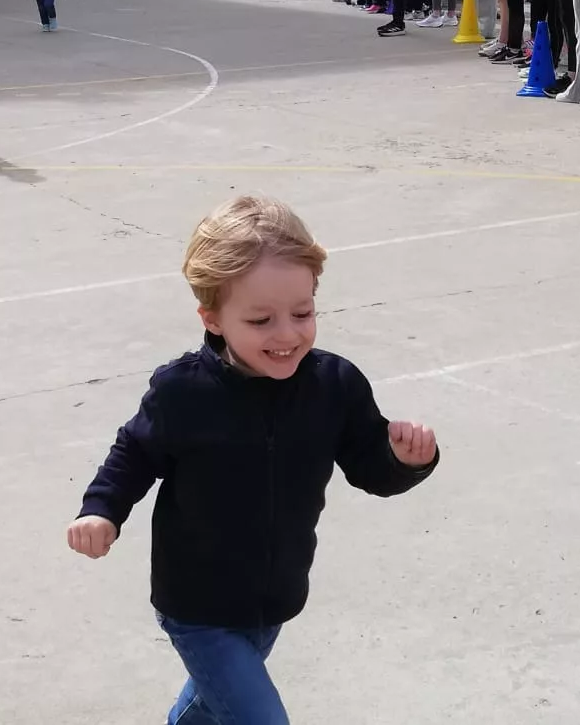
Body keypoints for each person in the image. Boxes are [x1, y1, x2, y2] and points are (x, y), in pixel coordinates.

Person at [67, 195, 440, 724]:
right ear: (213, 318)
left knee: (206, 706)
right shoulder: (183, 392)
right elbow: (134, 453)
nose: (287, 334)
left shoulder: (335, 385)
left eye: (303, 313)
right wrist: (101, 509)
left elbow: (369, 467)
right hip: (195, 604)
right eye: (261, 319)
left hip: (276, 593)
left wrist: (404, 459)